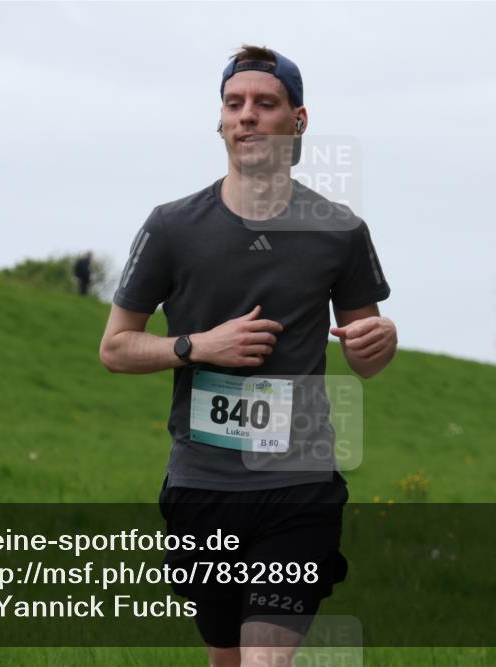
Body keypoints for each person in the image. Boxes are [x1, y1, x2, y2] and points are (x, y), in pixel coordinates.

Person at [99, 44, 397, 667]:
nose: (247, 116)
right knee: (228, 657)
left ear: (298, 120)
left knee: (266, 662)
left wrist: (381, 341)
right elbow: (116, 348)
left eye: (265, 104)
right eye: (234, 104)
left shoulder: (339, 230)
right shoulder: (171, 226)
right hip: (202, 486)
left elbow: (365, 353)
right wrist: (198, 347)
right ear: (221, 121)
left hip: (300, 486)